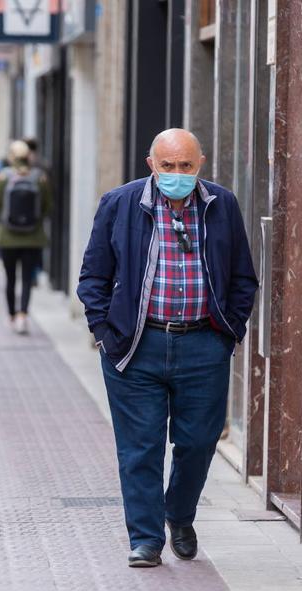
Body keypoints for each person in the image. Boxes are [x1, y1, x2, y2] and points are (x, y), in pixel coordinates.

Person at [77, 129, 257, 568]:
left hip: (203, 344)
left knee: (197, 442)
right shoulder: (119, 204)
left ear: (201, 163)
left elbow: (243, 276)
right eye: (168, 166)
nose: (177, 175)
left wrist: (228, 332)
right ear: (150, 163)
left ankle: (179, 515)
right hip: (136, 346)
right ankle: (145, 538)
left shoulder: (222, 205)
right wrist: (104, 331)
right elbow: (93, 277)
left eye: (186, 167)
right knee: (139, 447)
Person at [0, 141, 50, 335]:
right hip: (33, 237)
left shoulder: (3, 176)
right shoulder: (39, 177)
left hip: (8, 237)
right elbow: (48, 207)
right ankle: (23, 315)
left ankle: (11, 315)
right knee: (26, 278)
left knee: (10, 278)